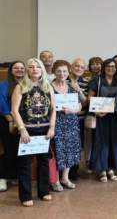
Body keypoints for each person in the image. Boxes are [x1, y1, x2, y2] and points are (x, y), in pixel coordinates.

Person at [11, 58, 56, 207]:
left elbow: (53, 109)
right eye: (31, 67)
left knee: (43, 162)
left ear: (42, 70)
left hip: (44, 130)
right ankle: (25, 195)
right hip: (27, 130)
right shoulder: (21, 87)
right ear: (27, 71)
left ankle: (43, 191)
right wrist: (22, 130)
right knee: (25, 164)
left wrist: (52, 127)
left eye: (38, 67)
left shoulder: (48, 86)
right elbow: (14, 111)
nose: (35, 69)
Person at [88, 58, 117, 182]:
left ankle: (110, 168)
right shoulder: (96, 80)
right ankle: (101, 169)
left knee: (113, 142)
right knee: (100, 142)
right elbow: (90, 98)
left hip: (115, 116)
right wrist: (95, 111)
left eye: (113, 66)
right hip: (101, 116)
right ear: (104, 67)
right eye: (108, 66)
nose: (111, 68)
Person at [51, 60, 82, 189]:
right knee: (58, 150)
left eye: (64, 71)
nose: (62, 73)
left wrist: (72, 110)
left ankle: (65, 178)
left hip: (72, 122)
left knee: (70, 149)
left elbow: (80, 105)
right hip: (56, 122)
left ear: (68, 71)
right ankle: (55, 180)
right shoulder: (49, 87)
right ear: (54, 72)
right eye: (58, 71)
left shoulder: (71, 87)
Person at [0, 61, 25, 192]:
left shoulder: (27, 84)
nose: (19, 70)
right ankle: (2, 177)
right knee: (10, 150)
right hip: (8, 121)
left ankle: (14, 175)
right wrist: (10, 120)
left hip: (24, 122)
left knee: (20, 151)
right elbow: (2, 103)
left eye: (22, 68)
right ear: (11, 70)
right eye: (16, 68)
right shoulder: (3, 85)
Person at [67, 59, 88, 181]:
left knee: (77, 147)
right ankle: (62, 173)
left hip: (79, 119)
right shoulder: (62, 80)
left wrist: (78, 89)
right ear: (71, 67)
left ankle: (74, 172)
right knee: (65, 146)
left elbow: (85, 102)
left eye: (82, 67)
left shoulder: (85, 83)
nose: (79, 69)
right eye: (77, 66)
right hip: (64, 120)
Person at [84, 56, 103, 175]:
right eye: (93, 64)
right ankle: (88, 162)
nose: (95, 66)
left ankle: (100, 162)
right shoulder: (85, 79)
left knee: (100, 138)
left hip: (103, 112)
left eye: (98, 63)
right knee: (88, 138)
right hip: (89, 112)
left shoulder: (105, 78)